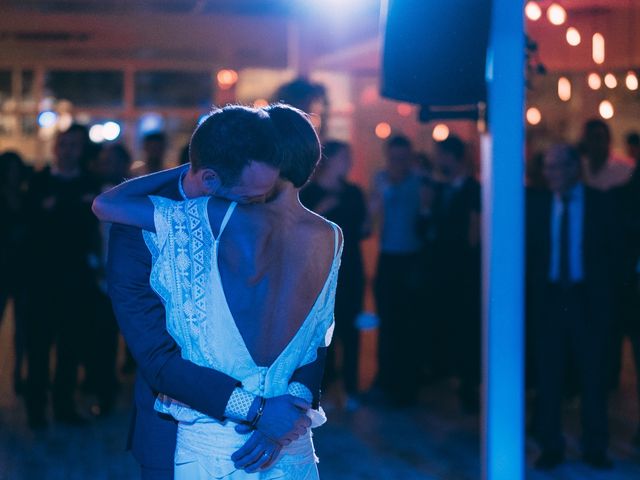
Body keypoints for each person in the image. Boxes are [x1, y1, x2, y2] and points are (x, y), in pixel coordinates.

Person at [100, 105, 333, 479]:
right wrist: (267, 411)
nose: (257, 200)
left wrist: (281, 411)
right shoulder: (141, 227)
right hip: (174, 429)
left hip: (268, 433)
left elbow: (315, 336)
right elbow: (156, 357)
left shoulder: (242, 214)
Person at [527, 144, 619, 470]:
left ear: (573, 168)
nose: (550, 174)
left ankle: (595, 446)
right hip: (551, 299)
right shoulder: (537, 205)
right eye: (547, 168)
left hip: (586, 299)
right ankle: (551, 445)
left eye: (556, 168)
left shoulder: (599, 203)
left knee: (592, 377)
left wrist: (608, 302)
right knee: (549, 376)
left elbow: (613, 254)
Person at [23, 124, 102, 428]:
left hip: (76, 279)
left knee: (70, 345)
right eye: (64, 144)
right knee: (39, 347)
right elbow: (31, 225)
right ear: (56, 147)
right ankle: (36, 410)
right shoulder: (40, 182)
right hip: (42, 279)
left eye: (75, 145)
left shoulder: (88, 183)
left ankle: (63, 405)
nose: (69, 150)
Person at [300, 140, 369, 409]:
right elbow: (301, 232)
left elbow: (362, 231)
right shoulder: (310, 193)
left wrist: (373, 212)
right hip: (321, 269)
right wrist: (322, 210)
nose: (348, 162)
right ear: (330, 160)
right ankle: (322, 388)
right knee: (320, 331)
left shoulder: (353, 193)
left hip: (351, 267)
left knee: (351, 329)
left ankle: (351, 389)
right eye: (344, 157)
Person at [418, 135, 481, 412]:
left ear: (452, 157)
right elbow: (426, 229)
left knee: (466, 329)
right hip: (440, 270)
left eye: (441, 155)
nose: (438, 161)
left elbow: (473, 234)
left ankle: (468, 386)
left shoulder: (472, 189)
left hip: (463, 272)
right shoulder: (440, 189)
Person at [369, 135, 423, 406]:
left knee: (410, 324)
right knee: (387, 320)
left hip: (412, 258)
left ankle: (406, 385)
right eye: (394, 158)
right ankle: (385, 380)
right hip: (388, 256)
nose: (398, 164)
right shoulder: (380, 180)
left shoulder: (420, 182)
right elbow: (372, 218)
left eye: (402, 159)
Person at [0, 151, 30, 395]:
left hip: (21, 268)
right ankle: (16, 372)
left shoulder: (25, 195)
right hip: (7, 267)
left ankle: (19, 371)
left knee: (23, 326)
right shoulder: (19, 196)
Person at [580, 119, 634, 191]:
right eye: (590, 138)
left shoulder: (626, 169)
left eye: (598, 138)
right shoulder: (579, 167)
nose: (594, 143)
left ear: (608, 139)